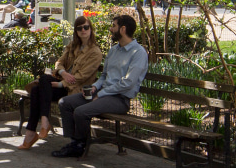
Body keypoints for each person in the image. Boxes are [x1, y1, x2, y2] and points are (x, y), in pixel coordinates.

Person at [51, 14, 149, 159]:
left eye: (114, 26)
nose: (111, 28)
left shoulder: (138, 53)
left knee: (80, 112)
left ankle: (78, 145)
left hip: (119, 99)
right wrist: (95, 88)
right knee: (65, 103)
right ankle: (75, 141)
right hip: (103, 93)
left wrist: (101, 94)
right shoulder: (114, 50)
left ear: (122, 29)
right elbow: (103, 76)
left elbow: (128, 83)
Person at [21, 16, 103, 149]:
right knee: (39, 87)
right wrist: (62, 73)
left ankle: (35, 130)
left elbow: (81, 77)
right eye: (79, 28)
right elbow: (59, 63)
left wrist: (60, 84)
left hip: (75, 90)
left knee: (40, 87)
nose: (83, 30)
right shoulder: (72, 46)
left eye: (86, 27)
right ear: (76, 31)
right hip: (63, 84)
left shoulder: (95, 52)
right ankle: (39, 125)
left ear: (91, 29)